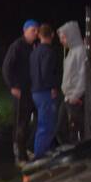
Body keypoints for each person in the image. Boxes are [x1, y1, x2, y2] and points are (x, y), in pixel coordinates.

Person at [2, 20, 40, 164]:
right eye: (33, 31)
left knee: (35, 121)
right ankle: (19, 153)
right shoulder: (17, 46)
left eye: (37, 30)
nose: (35, 33)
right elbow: (6, 67)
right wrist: (12, 86)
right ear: (25, 31)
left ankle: (27, 148)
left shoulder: (36, 46)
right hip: (20, 91)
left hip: (33, 91)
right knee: (21, 123)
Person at [30, 23, 61, 159]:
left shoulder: (34, 52)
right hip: (45, 92)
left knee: (42, 123)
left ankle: (41, 152)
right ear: (52, 35)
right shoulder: (49, 52)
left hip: (35, 91)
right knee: (46, 125)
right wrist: (53, 87)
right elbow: (47, 72)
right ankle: (40, 156)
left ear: (39, 35)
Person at [57, 21, 88, 144]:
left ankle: (76, 152)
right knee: (62, 128)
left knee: (74, 128)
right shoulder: (71, 51)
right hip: (67, 97)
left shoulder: (80, 51)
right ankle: (70, 150)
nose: (62, 41)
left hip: (75, 98)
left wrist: (75, 95)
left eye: (64, 37)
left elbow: (83, 75)